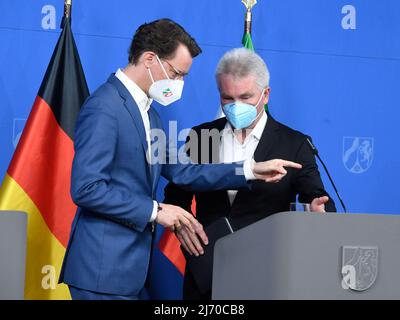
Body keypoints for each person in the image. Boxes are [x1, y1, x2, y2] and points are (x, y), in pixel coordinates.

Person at [59, 20, 302, 300]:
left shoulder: (149, 113)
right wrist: (156, 211)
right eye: (176, 73)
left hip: (131, 269)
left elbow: (183, 171)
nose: (179, 84)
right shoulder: (105, 107)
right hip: (101, 271)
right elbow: (87, 188)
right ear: (150, 59)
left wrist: (249, 170)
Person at [164, 47, 337, 300]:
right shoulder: (201, 137)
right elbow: (176, 194)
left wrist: (320, 209)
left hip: (268, 273)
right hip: (207, 273)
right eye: (227, 98)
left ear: (265, 95)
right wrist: (182, 225)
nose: (235, 106)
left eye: (245, 97)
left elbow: (317, 196)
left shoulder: (295, 144)